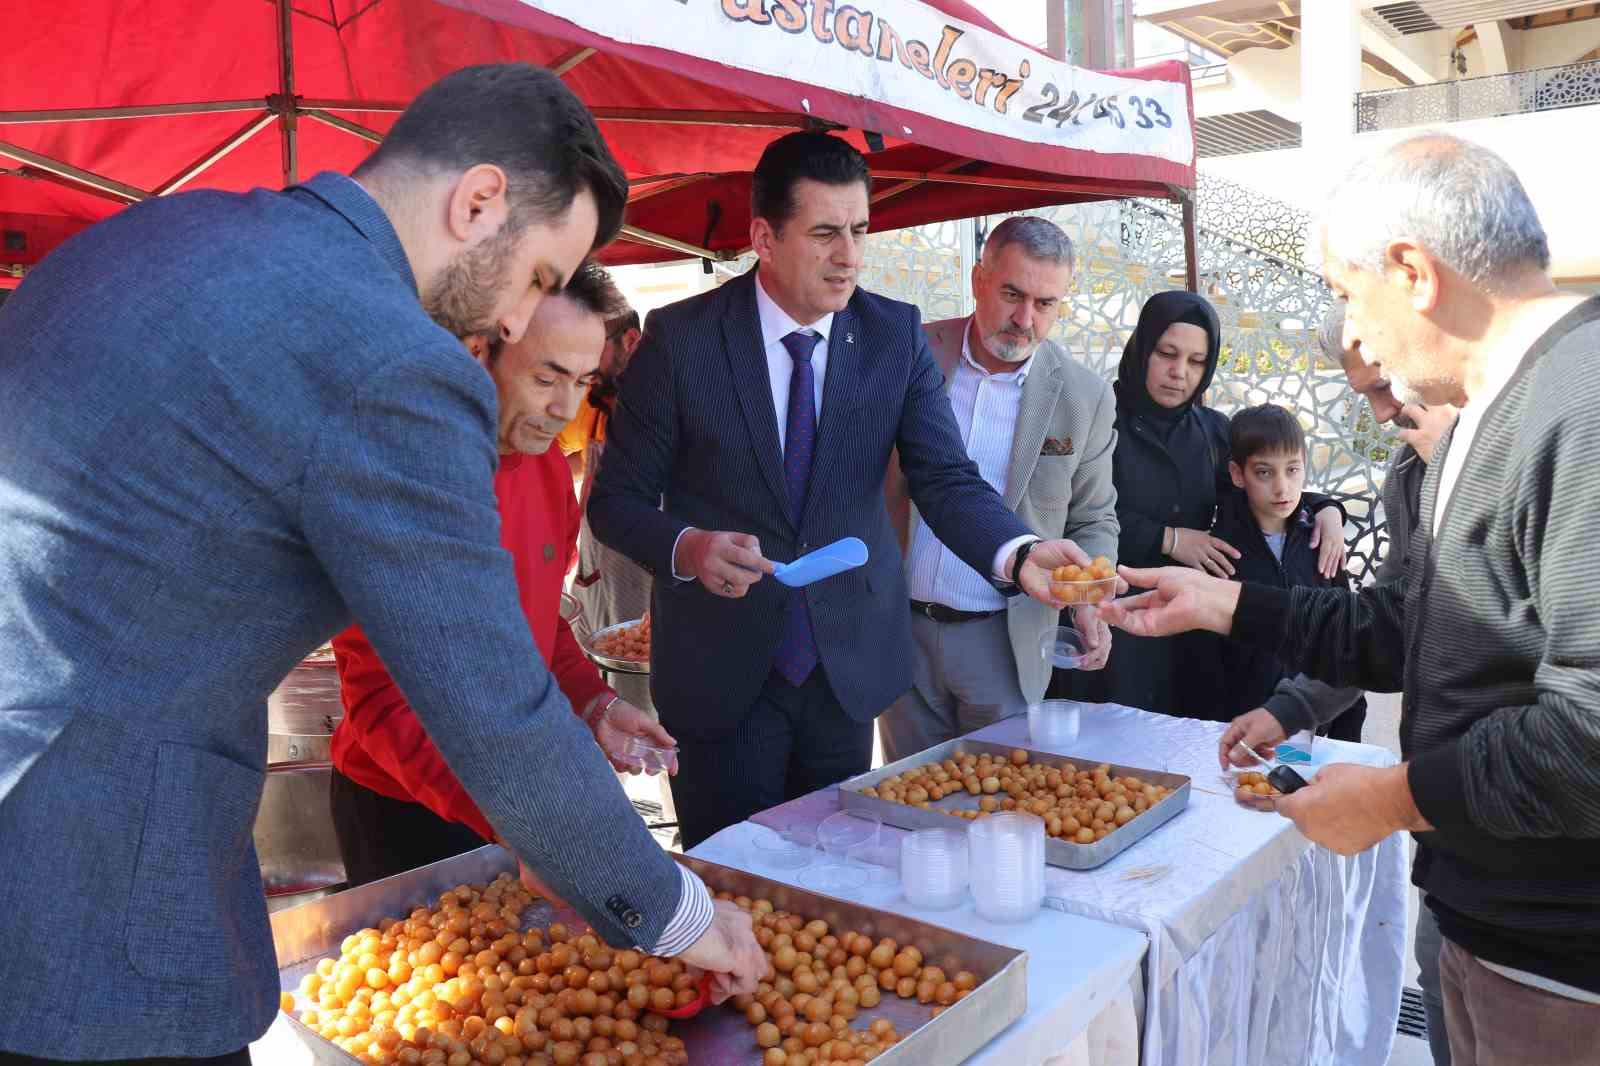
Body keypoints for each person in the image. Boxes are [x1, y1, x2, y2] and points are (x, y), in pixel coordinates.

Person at [0, 64, 762, 1065]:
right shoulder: (396, 359)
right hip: (96, 891)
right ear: (478, 200)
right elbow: (487, 697)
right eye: (535, 276)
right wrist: (668, 910)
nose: (511, 320)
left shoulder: (156, 237)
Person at [1100, 133, 1600, 1066]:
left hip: (1561, 966)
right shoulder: (1487, 420)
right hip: (1483, 920)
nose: (1351, 336)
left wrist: (1390, 799)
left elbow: (1589, 733)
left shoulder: (1582, 407)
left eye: (1343, 293)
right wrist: (1223, 604)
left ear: (1412, 272)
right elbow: (1410, 627)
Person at [587, 131, 1111, 847]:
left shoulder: (893, 335)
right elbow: (615, 500)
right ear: (764, 237)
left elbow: (945, 476)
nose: (850, 257)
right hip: (721, 670)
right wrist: (688, 546)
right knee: (732, 876)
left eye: (860, 231)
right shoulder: (682, 340)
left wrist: (1018, 554)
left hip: (845, 674)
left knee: (838, 886)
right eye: (826, 233)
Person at [328, 263, 677, 888]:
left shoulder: (547, 472)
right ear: (480, 352)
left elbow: (537, 631)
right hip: (407, 809)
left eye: (583, 381)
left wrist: (595, 703)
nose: (563, 408)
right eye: (547, 377)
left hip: (521, 800)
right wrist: (521, 816)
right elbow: (381, 699)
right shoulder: (401, 476)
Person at [879, 216, 1118, 762]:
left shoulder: (1085, 397)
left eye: (1045, 303)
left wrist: (1085, 601)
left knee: (998, 812)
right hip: (899, 632)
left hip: (1005, 643)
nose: (1024, 319)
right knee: (904, 810)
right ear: (977, 278)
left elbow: (1095, 518)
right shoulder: (910, 355)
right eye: (1012, 293)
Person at [1064, 291, 1346, 719]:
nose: (1179, 373)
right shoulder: (1101, 419)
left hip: (1186, 630)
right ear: (1143, 348)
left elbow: (1257, 486)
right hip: (1112, 615)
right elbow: (1077, 510)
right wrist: (1170, 539)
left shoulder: (1212, 431)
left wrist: (1325, 507)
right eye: (1167, 353)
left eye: (1196, 361)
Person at [1209, 404, 1367, 740]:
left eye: (1292, 470)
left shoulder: (1322, 542)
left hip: (1306, 729)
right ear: (1238, 474)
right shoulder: (1219, 549)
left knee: (1294, 788)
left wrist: (1346, 740)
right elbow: (1205, 657)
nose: (1282, 488)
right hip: (1237, 729)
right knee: (1246, 793)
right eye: (1264, 473)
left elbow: (1346, 641)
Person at [559, 305, 656, 720]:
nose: (583, 366)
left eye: (591, 350)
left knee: (664, 720)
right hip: (601, 577)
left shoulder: (666, 400)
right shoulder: (593, 398)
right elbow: (568, 457)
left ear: (630, 342)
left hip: (654, 579)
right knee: (603, 705)